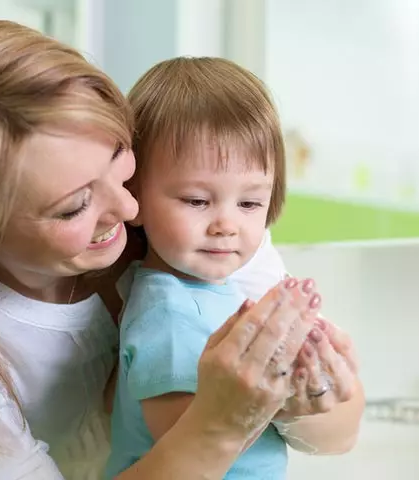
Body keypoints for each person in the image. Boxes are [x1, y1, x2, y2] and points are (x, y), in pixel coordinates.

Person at [0, 19, 363, 480]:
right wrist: (221, 424)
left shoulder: (197, 224)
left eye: (120, 155)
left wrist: (309, 399)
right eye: (74, 207)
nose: (129, 208)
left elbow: (336, 437)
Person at [104, 57, 327, 480]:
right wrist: (282, 386)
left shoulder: (226, 289)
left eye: (249, 203)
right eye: (196, 201)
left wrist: (306, 378)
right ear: (132, 197)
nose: (226, 225)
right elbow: (191, 443)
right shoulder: (166, 314)